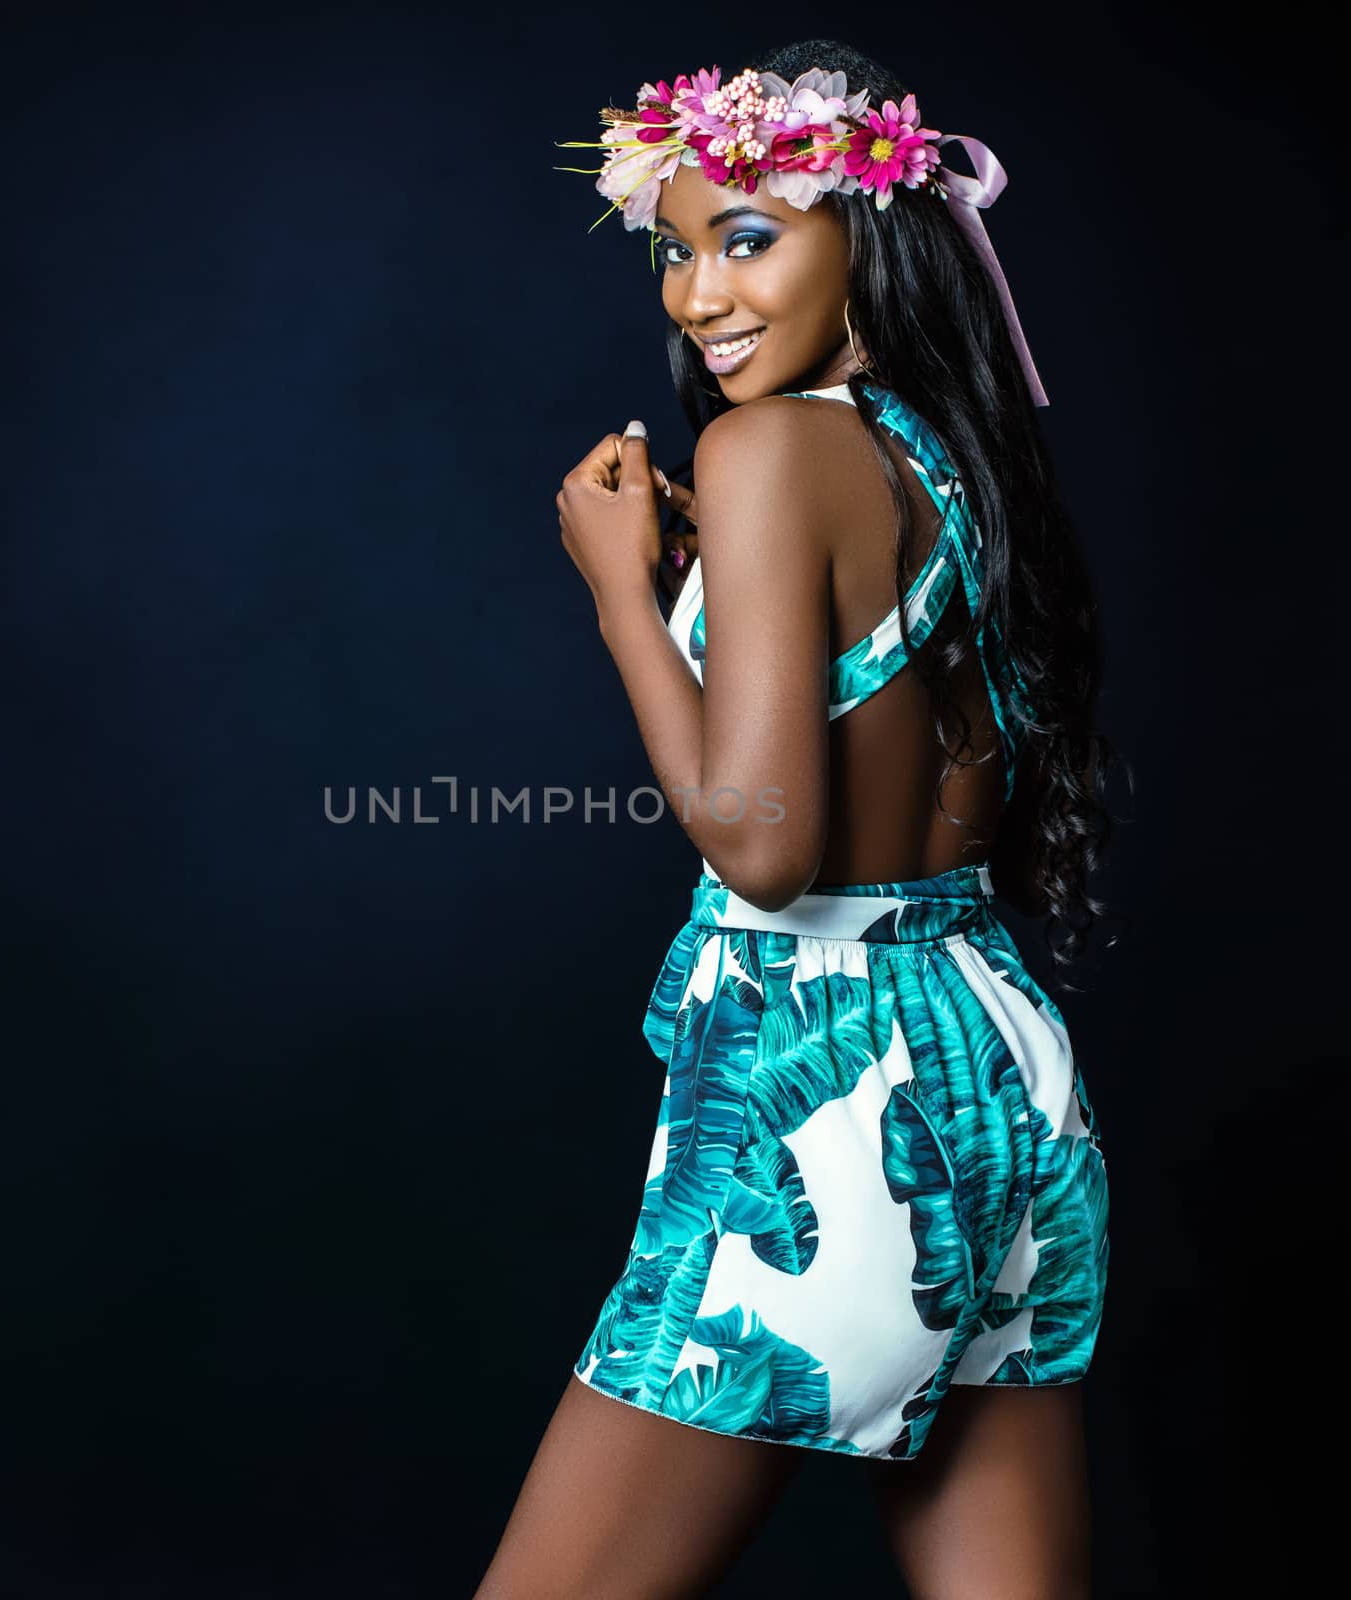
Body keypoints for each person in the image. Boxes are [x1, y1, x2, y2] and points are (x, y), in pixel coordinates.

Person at [476, 37, 1123, 1600]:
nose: (702, 295)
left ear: (870, 232)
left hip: (826, 1109)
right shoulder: (946, 453)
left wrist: (628, 598)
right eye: (677, 250)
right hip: (991, 1069)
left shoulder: (764, 447)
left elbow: (763, 844)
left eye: (750, 238)